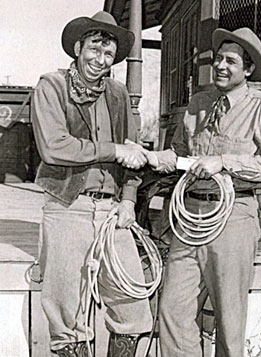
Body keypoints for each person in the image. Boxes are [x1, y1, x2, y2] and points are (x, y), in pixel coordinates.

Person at [147, 27, 261, 356]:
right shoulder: (199, 102)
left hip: (234, 218)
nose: (221, 66)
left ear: (248, 69)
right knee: (173, 311)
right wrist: (156, 158)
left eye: (231, 61)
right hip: (190, 218)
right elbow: (181, 153)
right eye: (218, 59)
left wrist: (223, 162)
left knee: (229, 318)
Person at [32, 11, 153, 357]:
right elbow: (54, 147)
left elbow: (133, 152)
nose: (100, 61)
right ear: (77, 48)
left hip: (112, 210)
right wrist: (113, 150)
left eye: (108, 55)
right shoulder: (51, 86)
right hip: (67, 206)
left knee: (132, 304)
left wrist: (129, 199)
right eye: (94, 51)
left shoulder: (118, 93)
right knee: (66, 311)